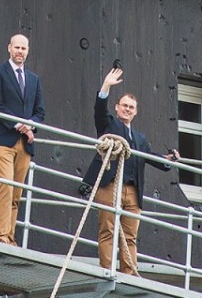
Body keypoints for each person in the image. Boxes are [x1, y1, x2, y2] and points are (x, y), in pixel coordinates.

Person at [80, 67, 178, 275]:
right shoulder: (109, 125)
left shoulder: (140, 138)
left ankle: (129, 273)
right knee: (107, 231)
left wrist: (169, 160)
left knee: (130, 236)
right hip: (110, 185)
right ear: (116, 108)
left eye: (131, 107)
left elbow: (152, 157)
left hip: (133, 191)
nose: (127, 109)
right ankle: (106, 269)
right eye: (124, 105)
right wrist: (106, 85)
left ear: (136, 111)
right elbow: (99, 110)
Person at [0, 34, 45, 245]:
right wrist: (20, 125)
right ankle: (0, 236)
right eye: (17, 47)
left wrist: (30, 124)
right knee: (5, 187)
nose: (20, 51)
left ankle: (10, 237)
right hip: (2, 139)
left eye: (24, 48)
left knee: (16, 193)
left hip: (24, 144)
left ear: (28, 51)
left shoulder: (34, 79)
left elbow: (40, 112)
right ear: (9, 48)